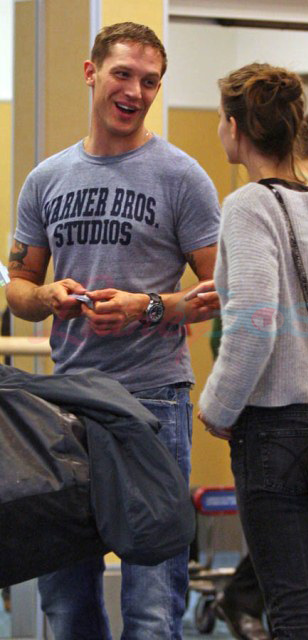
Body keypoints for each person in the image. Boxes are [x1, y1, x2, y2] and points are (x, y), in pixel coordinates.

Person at [6, 21, 219, 640]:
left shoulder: (182, 177)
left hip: (153, 403)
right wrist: (46, 296)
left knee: (152, 607)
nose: (135, 91)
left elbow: (220, 292)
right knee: (67, 603)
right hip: (68, 405)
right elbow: (19, 288)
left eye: (149, 81)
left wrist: (146, 308)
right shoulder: (46, 179)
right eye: (123, 74)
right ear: (90, 72)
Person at [194, 62, 308, 639]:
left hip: (272, 432)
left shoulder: (248, 205)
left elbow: (252, 323)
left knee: (294, 609)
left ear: (235, 127)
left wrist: (218, 406)